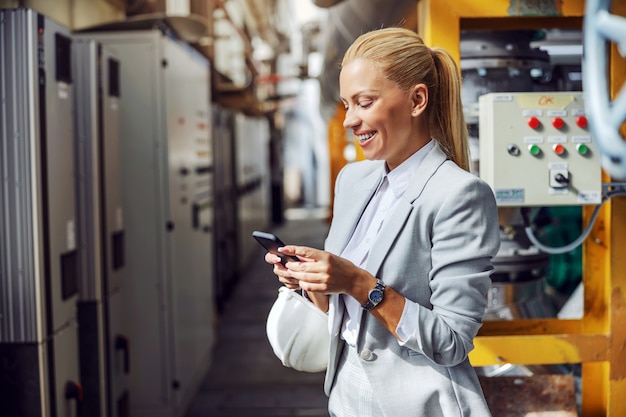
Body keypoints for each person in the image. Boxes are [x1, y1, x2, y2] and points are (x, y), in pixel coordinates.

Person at [265, 27, 500, 417]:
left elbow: (452, 340)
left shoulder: (459, 195)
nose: (348, 120)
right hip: (344, 395)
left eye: (364, 102)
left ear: (417, 100)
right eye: (346, 104)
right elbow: (342, 311)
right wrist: (312, 282)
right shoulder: (354, 181)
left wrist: (359, 283)